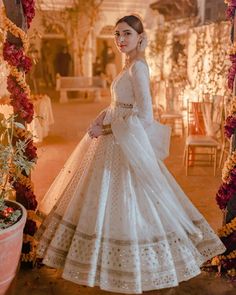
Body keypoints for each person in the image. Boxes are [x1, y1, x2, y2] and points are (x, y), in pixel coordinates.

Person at [36, 15, 226, 294]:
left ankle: (137, 262)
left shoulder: (139, 67)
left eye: (126, 34)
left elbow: (145, 115)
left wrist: (109, 130)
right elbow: (120, 103)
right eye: (116, 35)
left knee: (130, 197)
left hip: (123, 141)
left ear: (140, 36)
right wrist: (102, 116)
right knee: (103, 196)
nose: (120, 40)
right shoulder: (127, 64)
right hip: (113, 136)